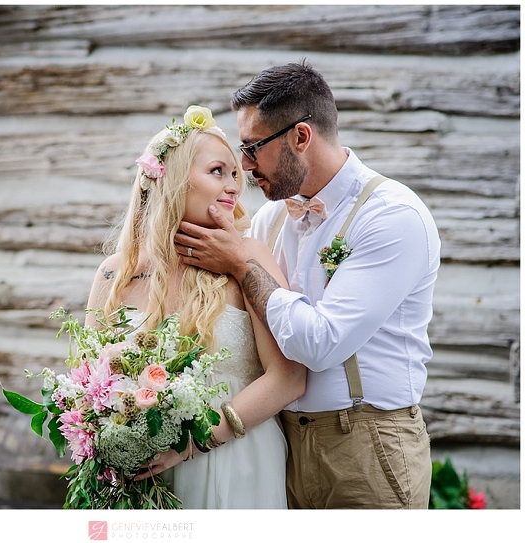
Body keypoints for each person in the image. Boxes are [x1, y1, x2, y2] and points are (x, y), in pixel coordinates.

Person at [173, 61, 441, 509]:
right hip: (280, 444)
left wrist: (242, 264)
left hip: (367, 445)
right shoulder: (270, 217)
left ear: (301, 137)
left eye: (253, 147)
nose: (244, 165)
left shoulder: (393, 216)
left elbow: (320, 344)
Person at [84, 105, 306, 509]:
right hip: (143, 476)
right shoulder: (113, 274)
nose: (234, 186)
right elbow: (89, 384)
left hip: (236, 463)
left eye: (236, 175)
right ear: (169, 179)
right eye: (217, 171)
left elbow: (289, 378)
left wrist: (191, 443)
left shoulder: (249, 259)